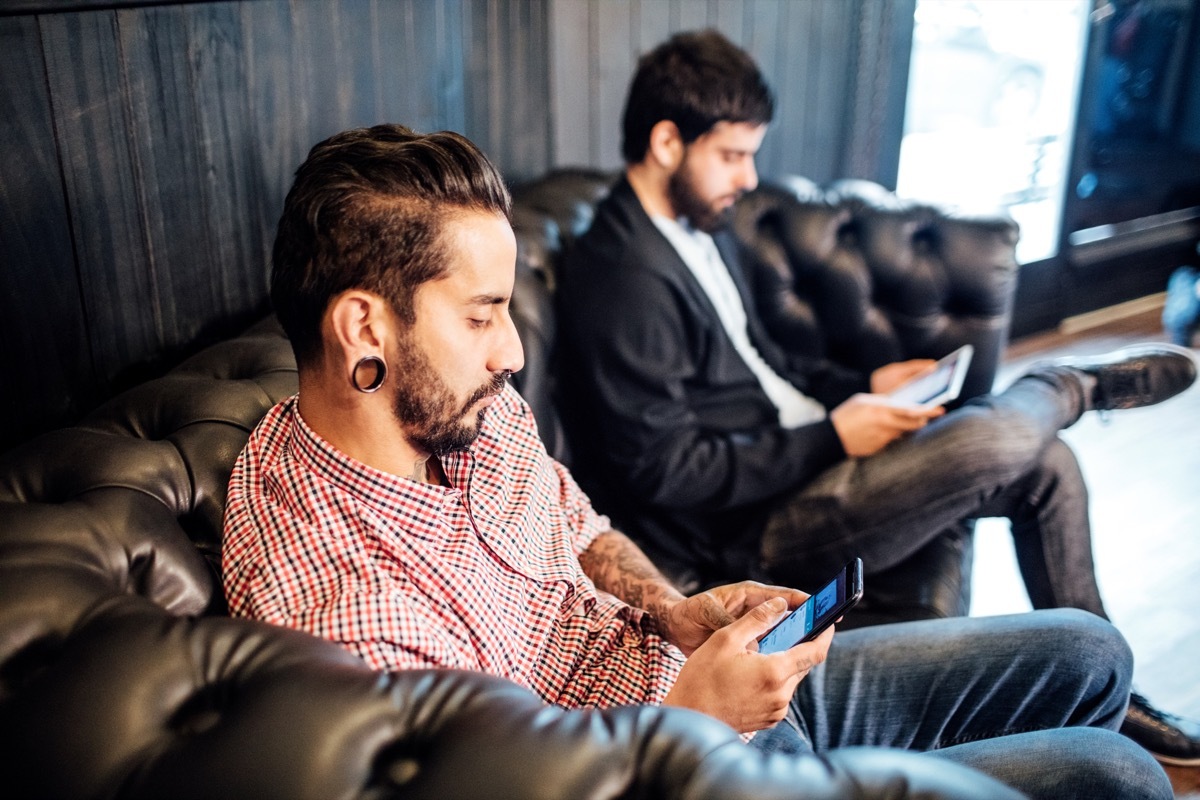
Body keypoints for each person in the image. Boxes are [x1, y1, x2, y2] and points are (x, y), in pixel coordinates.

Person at [222, 122, 1173, 799]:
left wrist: (680, 610)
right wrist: (694, 715)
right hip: (687, 766)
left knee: (1094, 653)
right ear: (363, 327)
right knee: (1118, 775)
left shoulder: (463, 409)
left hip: (698, 685)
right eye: (482, 316)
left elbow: (578, 525)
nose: (512, 353)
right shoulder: (343, 606)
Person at [554, 29, 1199, 767]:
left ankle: (1119, 697)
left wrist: (863, 393)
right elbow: (666, 471)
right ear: (668, 142)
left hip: (804, 462)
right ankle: (1069, 384)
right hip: (751, 526)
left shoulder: (698, 226)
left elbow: (766, 364)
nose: (747, 176)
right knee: (1000, 440)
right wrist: (835, 436)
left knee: (1044, 464)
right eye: (732, 155)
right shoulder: (619, 273)